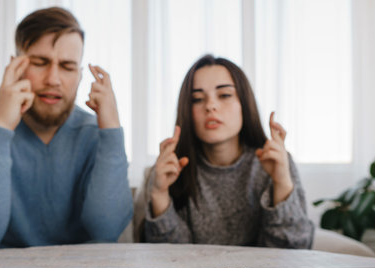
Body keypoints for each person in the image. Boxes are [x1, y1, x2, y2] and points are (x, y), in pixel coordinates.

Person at [0, 7, 132, 252]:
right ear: (15, 66)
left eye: (67, 67)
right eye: (40, 63)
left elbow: (106, 230)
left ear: (80, 75)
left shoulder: (96, 133)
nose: (53, 79)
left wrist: (112, 131)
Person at [134, 54, 314, 247]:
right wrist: (160, 194)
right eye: (197, 99)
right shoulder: (169, 170)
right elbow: (169, 258)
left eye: (225, 95)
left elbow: (294, 252)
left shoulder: (276, 162)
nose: (210, 106)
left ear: (244, 104)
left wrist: (282, 183)